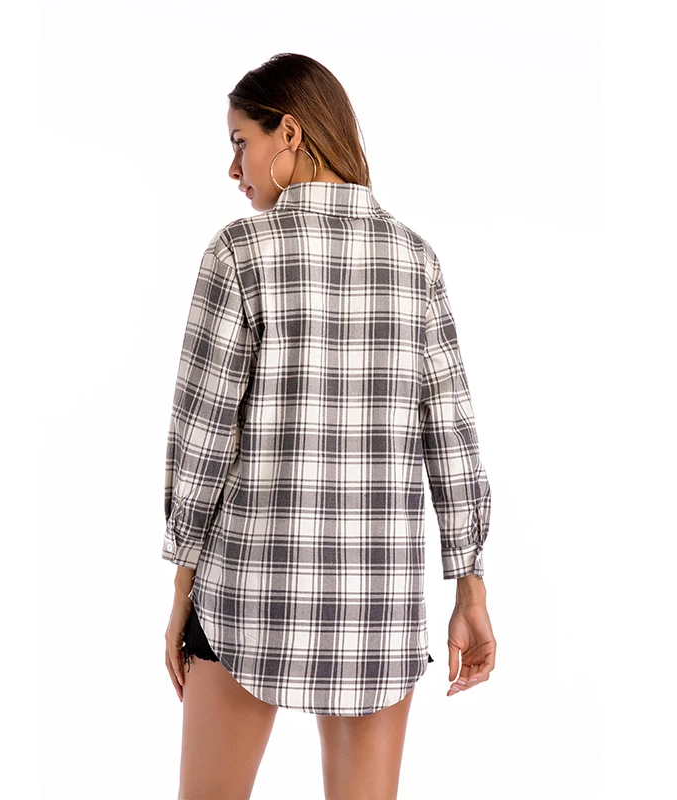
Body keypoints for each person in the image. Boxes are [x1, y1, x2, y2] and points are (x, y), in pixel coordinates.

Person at [161, 52, 496, 800]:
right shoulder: (416, 260)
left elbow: (202, 438)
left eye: (240, 142)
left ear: (289, 132)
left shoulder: (239, 252)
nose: (233, 168)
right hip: (377, 602)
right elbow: (452, 437)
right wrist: (470, 592)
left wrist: (181, 586)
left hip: (248, 590)